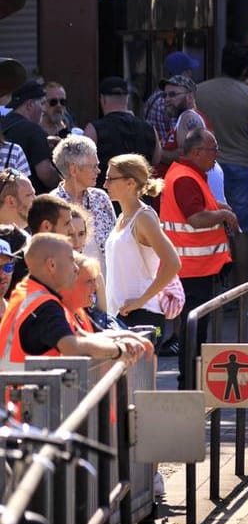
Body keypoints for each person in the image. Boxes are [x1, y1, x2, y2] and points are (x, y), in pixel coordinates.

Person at [0, 234, 154, 364]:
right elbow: (72, 346)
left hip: (22, 397)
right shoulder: (43, 305)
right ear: (51, 265)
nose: (76, 268)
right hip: (20, 398)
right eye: (70, 260)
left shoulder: (36, 295)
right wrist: (119, 351)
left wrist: (126, 337)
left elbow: (82, 336)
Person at [159, 126, 236, 351]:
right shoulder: (186, 178)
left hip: (194, 267)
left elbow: (195, 208)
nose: (217, 155)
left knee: (195, 329)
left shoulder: (187, 174)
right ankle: (189, 380)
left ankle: (189, 378)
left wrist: (217, 207)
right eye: (213, 150)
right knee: (195, 331)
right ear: (197, 152)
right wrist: (223, 214)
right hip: (193, 269)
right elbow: (196, 218)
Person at [196, 42, 248, 283]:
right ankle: (243, 298)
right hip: (239, 167)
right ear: (246, 68)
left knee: (206, 229)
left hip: (205, 167)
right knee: (241, 231)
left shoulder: (199, 91)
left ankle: (211, 292)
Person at [101, 154, 181, 339]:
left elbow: (173, 263)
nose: (105, 184)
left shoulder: (144, 218)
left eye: (110, 179)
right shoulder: (123, 218)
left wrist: (140, 301)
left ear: (130, 183)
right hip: (121, 316)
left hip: (143, 316)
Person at [51, 136, 114, 264]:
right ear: (74, 170)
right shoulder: (52, 204)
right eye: (93, 166)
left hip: (106, 281)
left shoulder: (101, 198)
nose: (98, 171)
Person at [85, 77, 158, 172]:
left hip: (105, 186)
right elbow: (156, 159)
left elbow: (84, 161)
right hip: (141, 185)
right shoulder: (149, 128)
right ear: (127, 99)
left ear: (102, 99)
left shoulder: (94, 129)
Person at [1, 82, 59, 191]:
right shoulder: (35, 130)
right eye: (42, 103)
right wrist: (64, 185)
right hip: (29, 202)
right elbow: (45, 174)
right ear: (30, 105)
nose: (44, 110)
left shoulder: (2, 125)